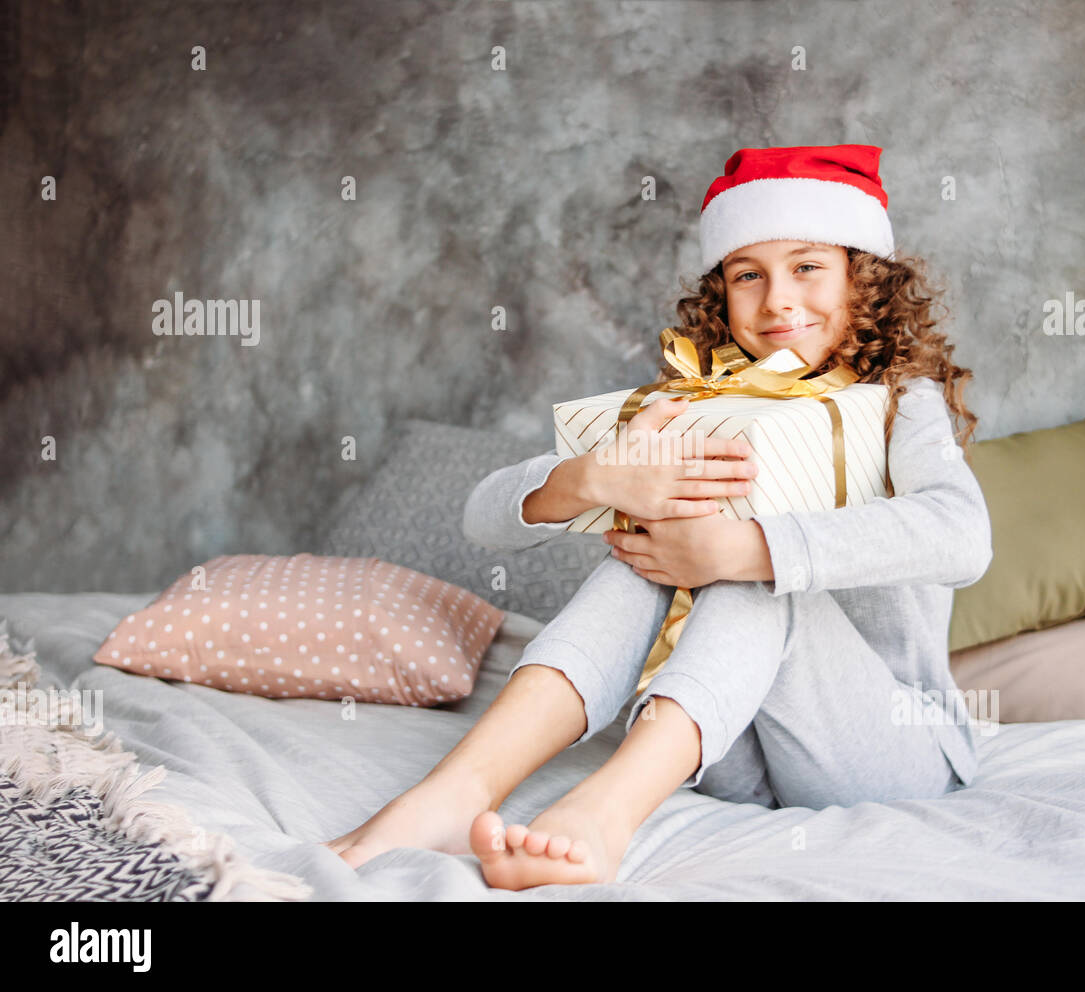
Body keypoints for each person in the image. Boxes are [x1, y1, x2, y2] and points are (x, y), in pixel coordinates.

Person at [324, 144, 994, 889]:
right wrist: (592, 478)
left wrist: (742, 550)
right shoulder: (703, 402)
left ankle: (603, 815)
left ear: (862, 277)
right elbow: (483, 515)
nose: (777, 301)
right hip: (732, 754)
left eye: (807, 267)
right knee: (643, 555)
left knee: (748, 575)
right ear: (722, 294)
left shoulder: (905, 398)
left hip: (888, 753)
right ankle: (455, 794)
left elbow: (962, 535)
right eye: (748, 275)